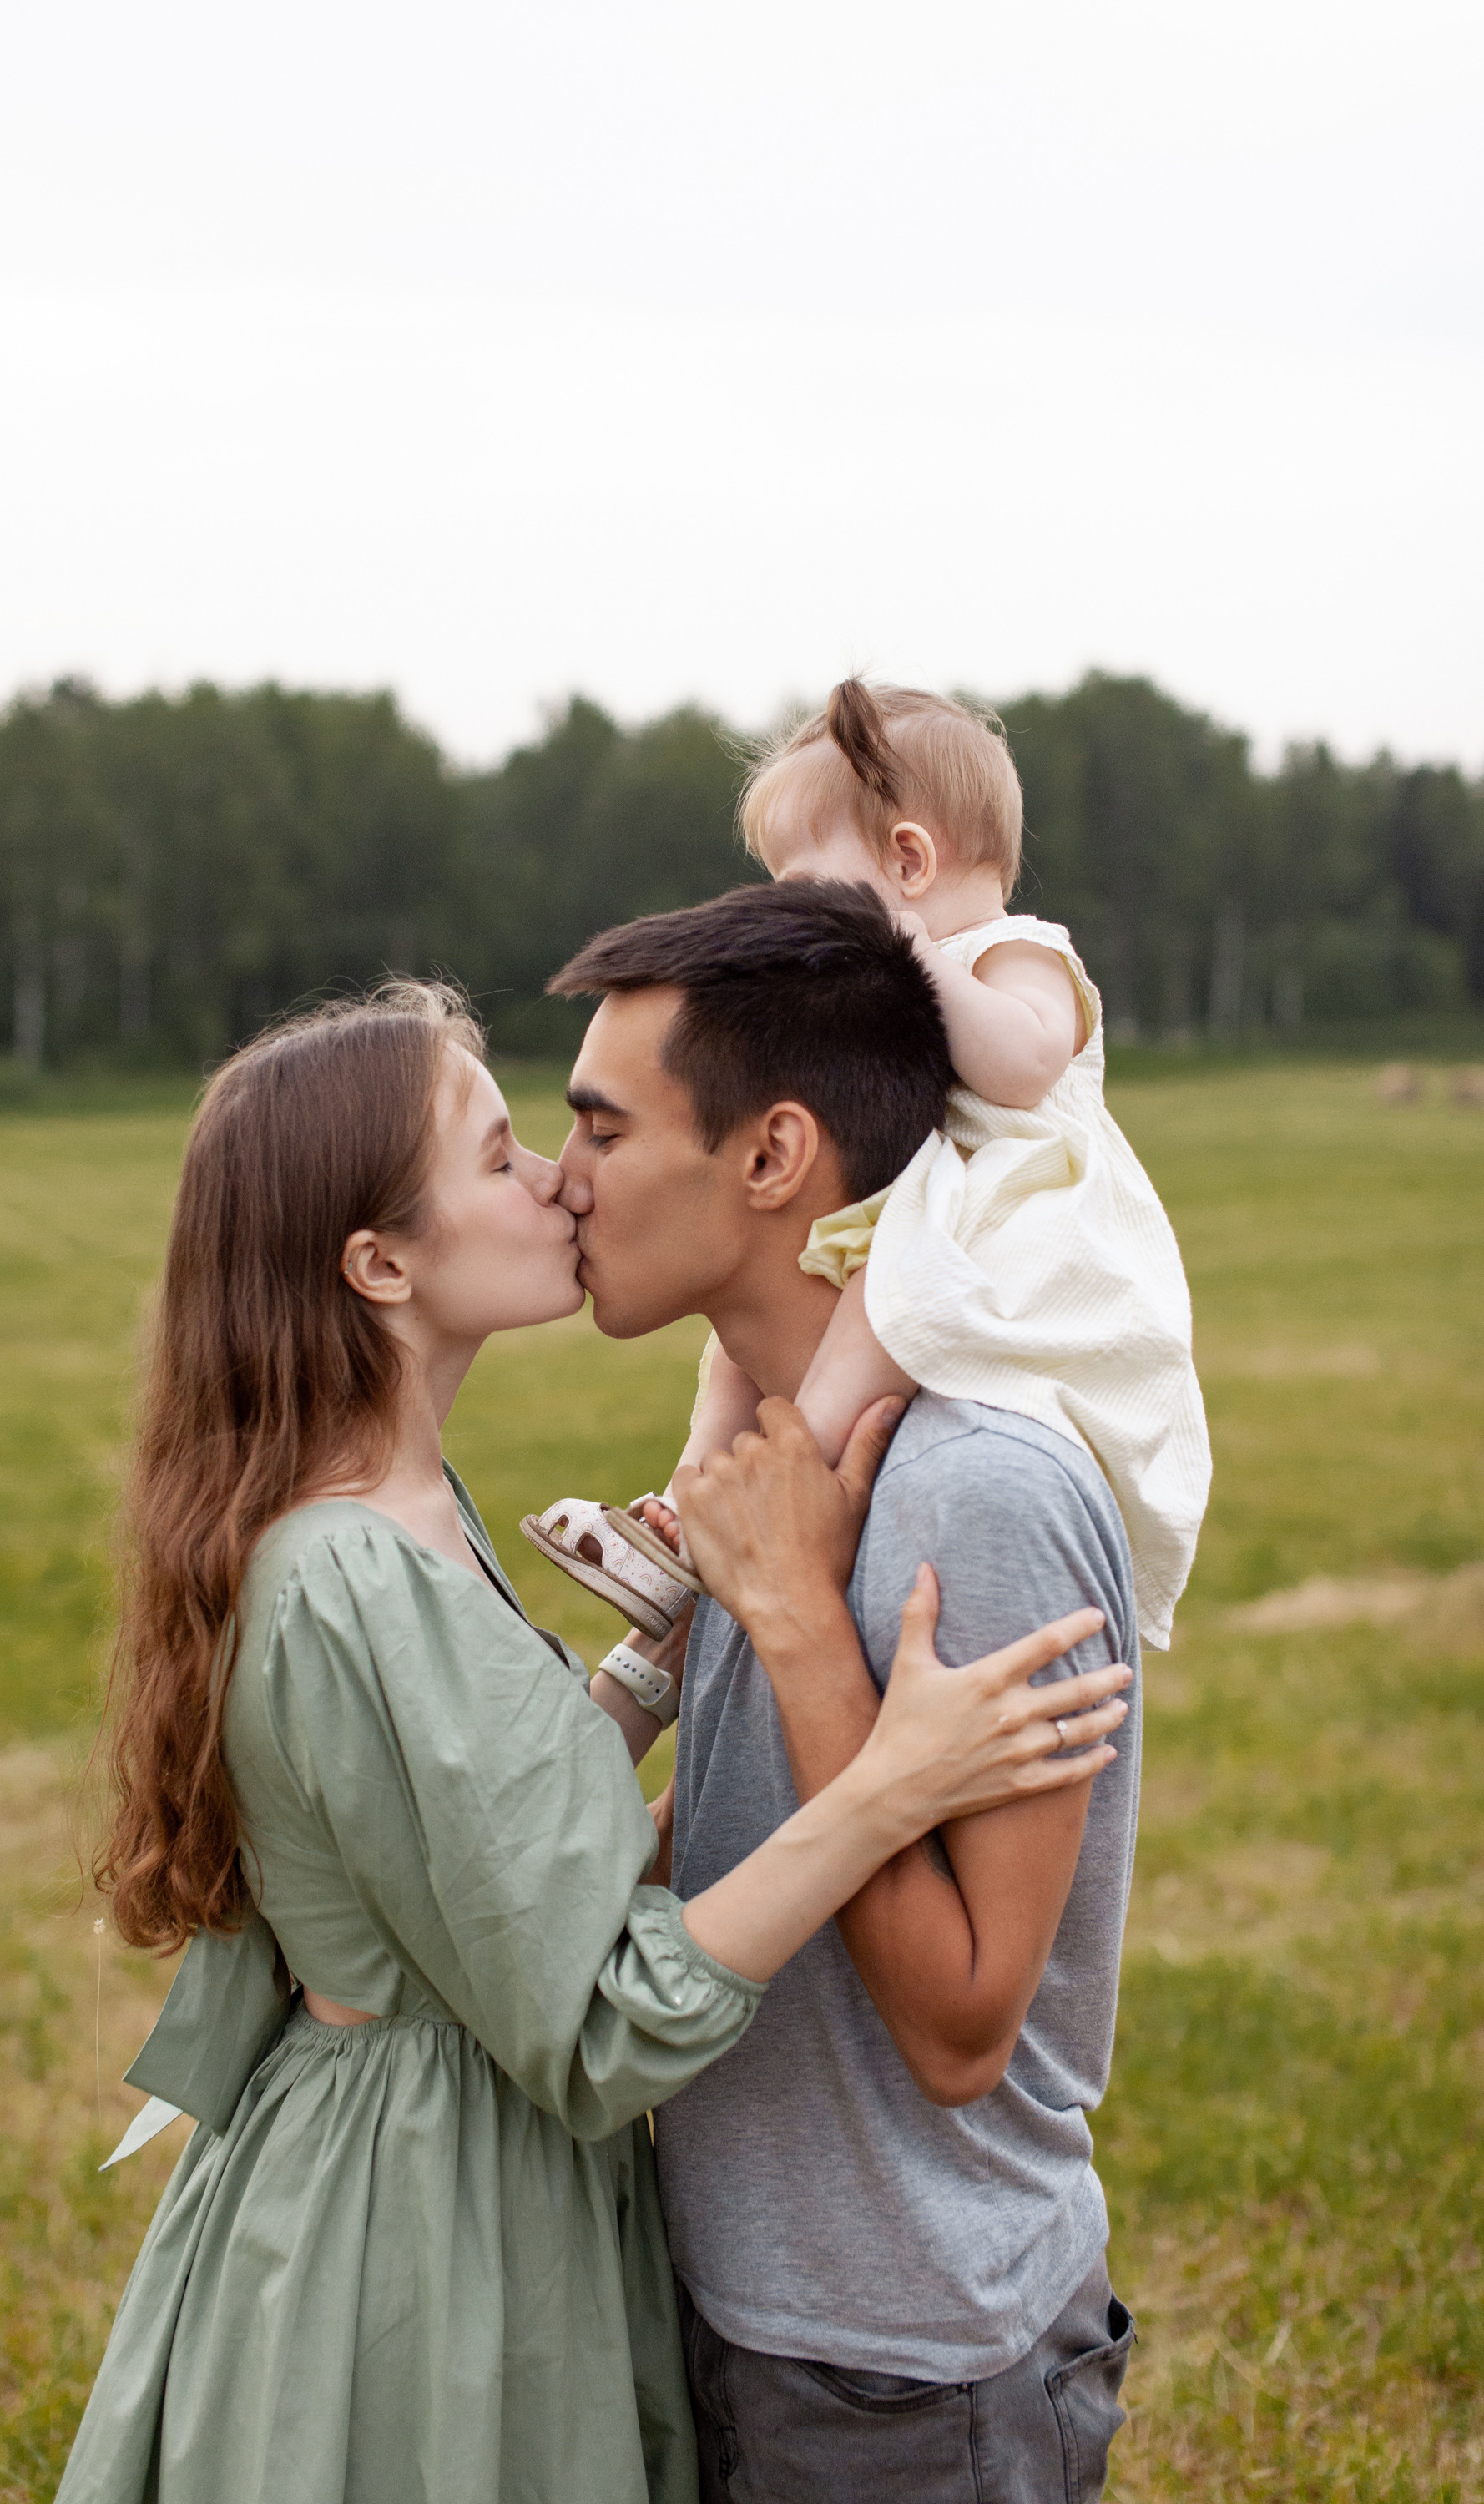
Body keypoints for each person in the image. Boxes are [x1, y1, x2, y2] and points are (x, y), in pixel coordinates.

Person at [58, 982, 1129, 2504]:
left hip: (454, 2164)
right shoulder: (354, 1565)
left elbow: (482, 1838)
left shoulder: (401, 1512)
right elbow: (605, 2016)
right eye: (502, 1157)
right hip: (413, 2226)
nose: (560, 1178)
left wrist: (655, 1658)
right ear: (378, 1264)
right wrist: (892, 1781)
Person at [549, 880, 1145, 2501]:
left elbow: (961, 2028)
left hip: (912, 2372)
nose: (561, 1179)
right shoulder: (775, 1451)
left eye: (601, 1131)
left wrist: (802, 1627)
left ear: (770, 1157)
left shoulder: (978, 1490)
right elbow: (745, 1848)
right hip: (739, 2317)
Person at [527, 677, 1209, 1653]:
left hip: (995, 1206)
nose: (783, 908)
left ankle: (794, 1468)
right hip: (915, 1196)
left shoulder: (1017, 953)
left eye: (798, 884)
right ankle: (687, 1502)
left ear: (906, 860)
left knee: (886, 1296)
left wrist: (912, 954)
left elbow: (1020, 1071)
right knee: (733, 1344)